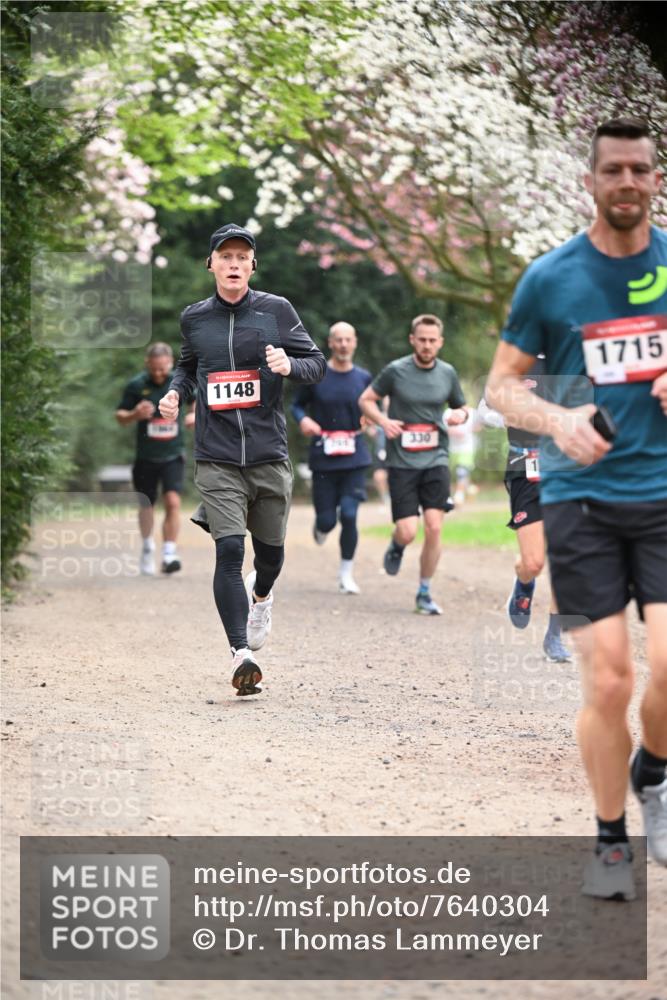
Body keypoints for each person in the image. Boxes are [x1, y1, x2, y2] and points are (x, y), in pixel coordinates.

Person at [486, 118, 667, 900]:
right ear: (589, 182)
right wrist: (558, 420)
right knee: (607, 683)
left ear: (654, 180)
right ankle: (608, 843)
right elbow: (499, 386)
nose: (627, 182)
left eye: (640, 169)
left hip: (663, 495)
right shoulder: (549, 279)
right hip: (579, 498)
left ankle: (653, 773)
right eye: (613, 170)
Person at [159, 223, 326, 696]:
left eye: (242, 257)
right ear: (210, 264)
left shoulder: (277, 311)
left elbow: (315, 363)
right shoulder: (194, 319)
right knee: (230, 551)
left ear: (253, 265)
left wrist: (290, 366)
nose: (233, 264)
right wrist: (175, 393)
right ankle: (241, 654)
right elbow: (189, 368)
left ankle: (263, 594)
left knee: (270, 555)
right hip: (216, 455)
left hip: (268, 453)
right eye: (225, 256)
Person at [359, 314, 468, 615]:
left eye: (433, 341)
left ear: (440, 342)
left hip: (436, 458)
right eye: (422, 339)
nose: (427, 345)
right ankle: (397, 545)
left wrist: (461, 415)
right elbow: (366, 400)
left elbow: (461, 406)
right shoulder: (396, 371)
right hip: (402, 462)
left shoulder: (447, 373)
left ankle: (424, 591)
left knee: (434, 527)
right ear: (412, 340)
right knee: (408, 531)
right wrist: (383, 421)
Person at [478, 360, 571, 663]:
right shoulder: (515, 362)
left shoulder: (571, 358)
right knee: (533, 562)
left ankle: (554, 636)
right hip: (524, 468)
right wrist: (503, 418)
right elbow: (483, 409)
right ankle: (524, 583)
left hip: (566, 470)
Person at [291, 321, 372, 594]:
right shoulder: (317, 375)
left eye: (348, 339)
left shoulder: (364, 378)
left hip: (354, 456)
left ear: (355, 342)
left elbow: (375, 407)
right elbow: (296, 405)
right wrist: (304, 420)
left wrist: (370, 419)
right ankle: (322, 525)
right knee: (328, 521)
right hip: (323, 456)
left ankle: (346, 573)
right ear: (330, 343)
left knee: (349, 514)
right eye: (338, 340)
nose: (343, 345)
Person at [115, 342, 194, 575]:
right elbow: (120, 416)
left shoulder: (178, 382)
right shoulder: (137, 385)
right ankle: (148, 546)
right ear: (147, 364)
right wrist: (134, 414)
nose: (159, 373)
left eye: (163, 368)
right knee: (146, 505)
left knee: (173, 502)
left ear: (170, 364)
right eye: (154, 369)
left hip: (173, 454)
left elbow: (196, 401)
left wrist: (192, 415)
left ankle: (169, 553)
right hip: (146, 457)